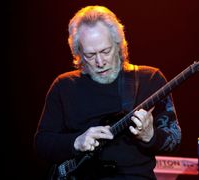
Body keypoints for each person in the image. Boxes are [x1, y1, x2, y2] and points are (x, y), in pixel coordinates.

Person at [34, 5, 181, 180]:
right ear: (78, 53)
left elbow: (174, 139)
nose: (99, 61)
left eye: (105, 51)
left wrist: (150, 135)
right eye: (90, 55)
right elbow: (42, 143)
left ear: (119, 45)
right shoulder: (63, 86)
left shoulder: (150, 80)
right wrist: (76, 142)